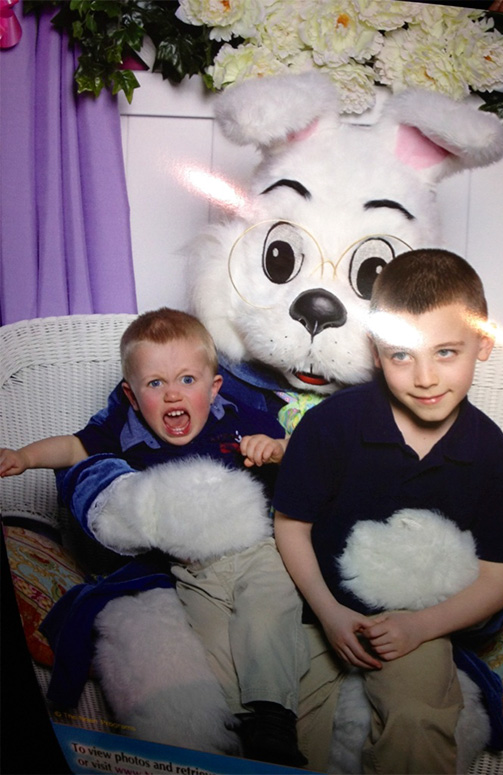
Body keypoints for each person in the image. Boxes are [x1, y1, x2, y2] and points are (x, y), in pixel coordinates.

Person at [0, 307, 308, 768]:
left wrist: (277, 449)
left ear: (213, 386)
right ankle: (245, 731)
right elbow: (72, 448)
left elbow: (296, 453)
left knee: (269, 603)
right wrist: (24, 456)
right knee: (211, 642)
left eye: (187, 380)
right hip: (188, 568)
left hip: (252, 548)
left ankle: (274, 716)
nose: (172, 395)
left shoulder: (239, 418)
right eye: (155, 384)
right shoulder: (122, 426)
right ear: (131, 392)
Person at [273, 249, 503, 774]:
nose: (426, 377)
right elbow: (291, 526)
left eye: (447, 352)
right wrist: (328, 612)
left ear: (483, 345)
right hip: (317, 613)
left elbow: (497, 580)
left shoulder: (497, 459)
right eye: (402, 355)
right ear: (375, 350)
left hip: (415, 623)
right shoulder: (328, 427)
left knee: (417, 721)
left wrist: (420, 627)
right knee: (289, 732)